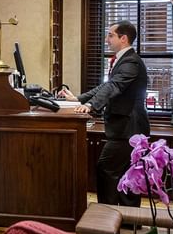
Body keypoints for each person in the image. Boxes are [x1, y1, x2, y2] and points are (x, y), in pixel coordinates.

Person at [59, 20, 149, 207]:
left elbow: (115, 86)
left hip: (127, 129)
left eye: (110, 35)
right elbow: (106, 85)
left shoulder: (131, 61)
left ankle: (106, 215)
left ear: (123, 38)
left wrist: (91, 105)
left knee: (106, 168)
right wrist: (79, 99)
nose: (107, 39)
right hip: (126, 128)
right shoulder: (124, 60)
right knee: (127, 173)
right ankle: (128, 218)